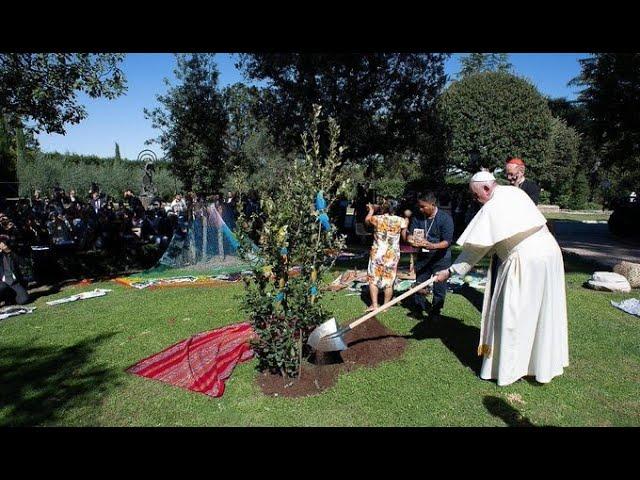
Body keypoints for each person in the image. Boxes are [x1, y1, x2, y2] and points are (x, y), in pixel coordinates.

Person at [434, 171, 569, 386]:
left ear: (486, 189)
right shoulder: (515, 193)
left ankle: (511, 369)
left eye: (475, 195)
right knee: (541, 310)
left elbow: (475, 250)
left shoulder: (493, 207)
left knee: (512, 313)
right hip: (550, 253)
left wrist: (449, 272)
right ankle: (538, 366)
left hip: (525, 260)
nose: (475, 199)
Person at [402, 192, 454, 322]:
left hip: (441, 257)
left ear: (432, 204)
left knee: (439, 287)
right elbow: (410, 234)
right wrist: (410, 239)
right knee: (419, 283)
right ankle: (418, 310)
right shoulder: (419, 217)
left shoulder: (445, 219)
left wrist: (432, 245)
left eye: (423, 206)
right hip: (424, 257)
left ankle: (436, 312)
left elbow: (447, 241)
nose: (420, 209)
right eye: (419, 206)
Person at [364, 201, 408, 312]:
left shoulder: (377, 218)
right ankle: (385, 305)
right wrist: (407, 221)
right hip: (392, 254)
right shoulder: (401, 220)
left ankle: (374, 305)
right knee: (389, 280)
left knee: (373, 279)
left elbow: (366, 221)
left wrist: (371, 211)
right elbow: (404, 237)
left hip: (377, 252)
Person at [0, 235, 30, 305]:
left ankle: (10, 298)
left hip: (14, 282)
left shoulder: (13, 254)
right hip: (2, 282)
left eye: (4, 243)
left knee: (24, 300)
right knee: (2, 287)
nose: (3, 244)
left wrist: (10, 252)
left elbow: (24, 263)